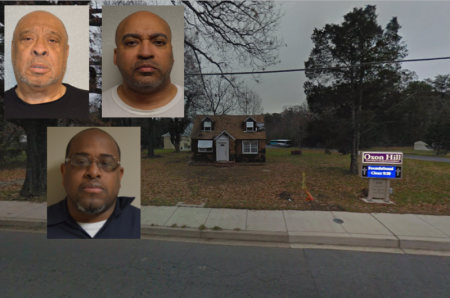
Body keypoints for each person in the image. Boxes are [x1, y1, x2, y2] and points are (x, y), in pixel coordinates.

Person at [47, 128, 141, 239]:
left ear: (119, 176)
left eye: (106, 163)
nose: (93, 172)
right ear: (64, 173)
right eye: (81, 162)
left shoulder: (140, 223)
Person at [5, 10, 89, 119]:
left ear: (66, 52)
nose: (40, 49)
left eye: (52, 40)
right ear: (13, 50)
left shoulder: (90, 106)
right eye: (27, 38)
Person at [102, 10, 184, 117]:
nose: (146, 53)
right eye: (131, 43)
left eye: (159, 42)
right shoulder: (99, 106)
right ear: (116, 56)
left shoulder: (189, 103)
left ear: (172, 54)